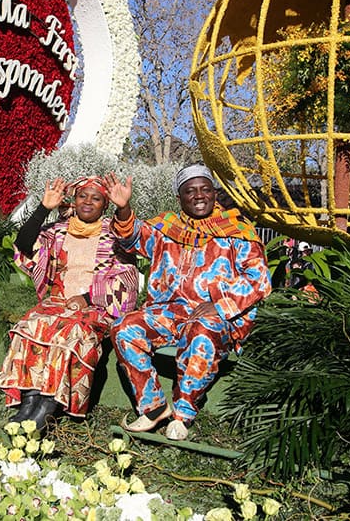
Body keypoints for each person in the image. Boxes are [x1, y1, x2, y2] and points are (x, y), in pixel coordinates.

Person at [105, 164, 272, 441]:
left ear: (214, 193)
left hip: (216, 316)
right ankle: (154, 406)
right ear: (180, 197)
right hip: (169, 311)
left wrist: (220, 303)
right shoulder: (166, 227)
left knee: (202, 331)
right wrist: (124, 208)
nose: (199, 196)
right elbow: (131, 238)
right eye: (190, 191)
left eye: (205, 189)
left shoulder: (237, 231)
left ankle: (183, 413)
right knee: (124, 328)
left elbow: (259, 279)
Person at [0, 176, 139, 432]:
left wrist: (87, 298)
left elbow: (127, 274)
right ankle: (29, 403)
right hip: (57, 303)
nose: (88, 202)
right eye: (83, 196)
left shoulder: (114, 236)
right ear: (74, 200)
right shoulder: (59, 231)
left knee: (72, 332)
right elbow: (25, 245)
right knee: (30, 325)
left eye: (96, 198)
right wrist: (43, 209)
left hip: (97, 307)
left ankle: (48, 407)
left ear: (104, 205)